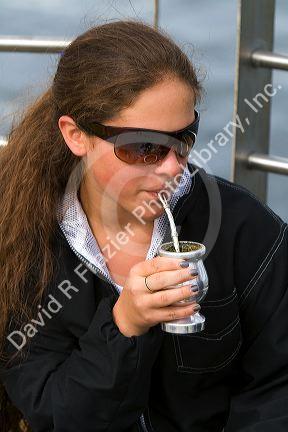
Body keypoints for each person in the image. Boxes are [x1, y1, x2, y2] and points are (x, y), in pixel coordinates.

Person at [0, 19, 287, 432]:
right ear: (76, 135)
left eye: (184, 138)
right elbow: (55, 413)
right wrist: (124, 328)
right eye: (144, 147)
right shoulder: (24, 242)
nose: (174, 168)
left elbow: (278, 387)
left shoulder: (244, 228)